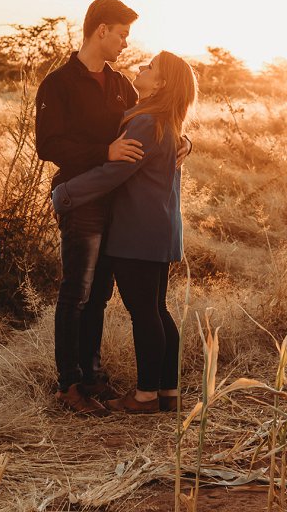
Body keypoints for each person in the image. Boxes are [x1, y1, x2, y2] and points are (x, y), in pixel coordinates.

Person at [51, 51, 198, 414]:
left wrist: (66, 193)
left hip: (138, 230)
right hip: (158, 228)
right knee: (156, 310)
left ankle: (146, 395)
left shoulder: (147, 122)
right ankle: (168, 392)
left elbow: (114, 172)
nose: (141, 69)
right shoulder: (164, 119)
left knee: (144, 312)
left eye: (149, 68)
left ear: (161, 83)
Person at [35, 0, 142, 414]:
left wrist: (183, 142)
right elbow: (49, 146)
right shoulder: (57, 84)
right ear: (101, 30)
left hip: (117, 202)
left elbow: (148, 123)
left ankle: (93, 377)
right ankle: (69, 387)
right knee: (75, 293)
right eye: (121, 34)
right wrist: (105, 151)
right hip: (80, 199)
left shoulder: (121, 85)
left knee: (99, 294)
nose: (124, 43)